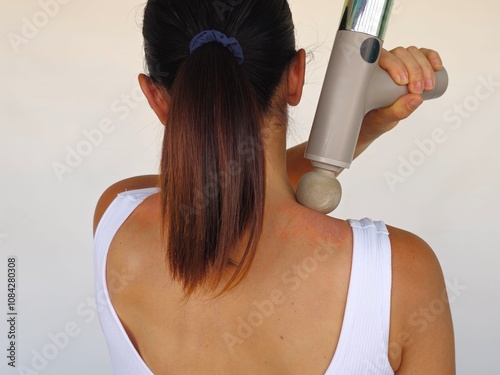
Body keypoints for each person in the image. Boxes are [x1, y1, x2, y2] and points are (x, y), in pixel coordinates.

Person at [93, 0, 455, 374]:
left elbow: (220, 187)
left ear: (155, 97)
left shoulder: (117, 217)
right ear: (296, 76)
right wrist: (351, 126)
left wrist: (359, 129)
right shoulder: (401, 277)